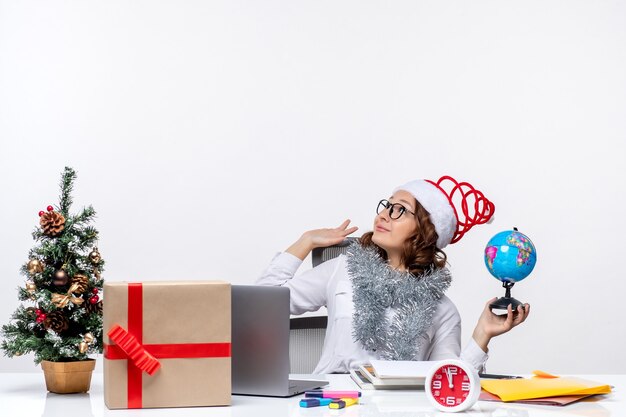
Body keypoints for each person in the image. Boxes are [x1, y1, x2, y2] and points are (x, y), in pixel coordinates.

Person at [256, 175, 530, 374]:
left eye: (401, 210)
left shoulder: (443, 311)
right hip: (331, 405)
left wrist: (482, 335)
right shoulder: (344, 270)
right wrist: (305, 241)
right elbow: (261, 306)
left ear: (425, 232)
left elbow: (447, 383)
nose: (386, 215)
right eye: (388, 205)